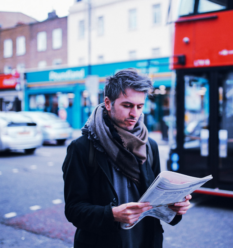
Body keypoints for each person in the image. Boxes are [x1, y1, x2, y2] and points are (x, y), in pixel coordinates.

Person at [62, 69, 192, 248]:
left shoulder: (149, 146)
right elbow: (74, 209)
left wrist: (175, 208)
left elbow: (154, 201)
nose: (135, 114)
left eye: (140, 106)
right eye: (127, 105)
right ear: (108, 103)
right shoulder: (82, 148)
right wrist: (112, 214)